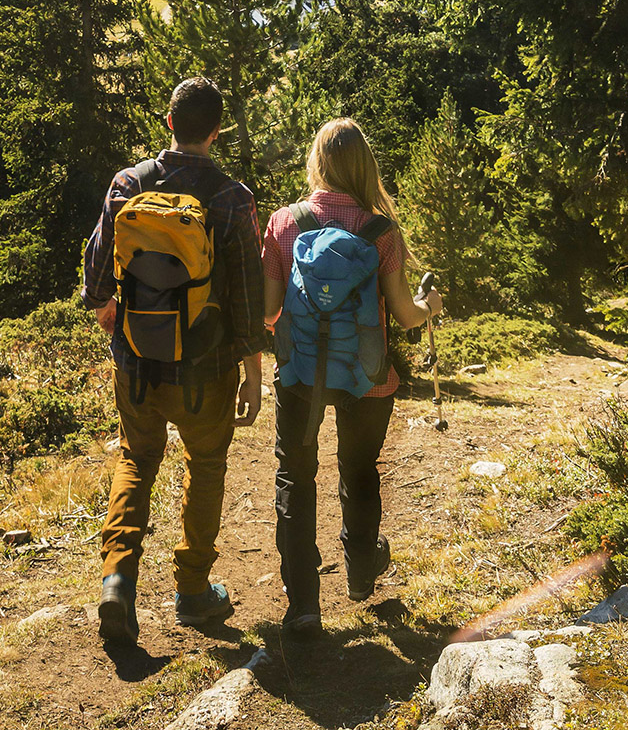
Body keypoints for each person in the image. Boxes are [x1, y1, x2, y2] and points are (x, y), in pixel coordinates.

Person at [82, 77, 265, 644]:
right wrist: (253, 372)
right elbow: (247, 295)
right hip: (206, 369)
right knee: (206, 466)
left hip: (136, 360)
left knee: (136, 459)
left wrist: (112, 315)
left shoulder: (127, 183)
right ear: (216, 131)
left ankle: (117, 581)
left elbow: (95, 271)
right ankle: (192, 591)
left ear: (168, 123)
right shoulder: (233, 199)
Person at [262, 118, 442, 634]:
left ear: (317, 162)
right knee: (359, 470)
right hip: (368, 378)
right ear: (365, 166)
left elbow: (270, 313)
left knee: (295, 477)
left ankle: (303, 607)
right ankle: (361, 571)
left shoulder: (284, 223)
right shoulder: (380, 230)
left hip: (298, 375)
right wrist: (431, 305)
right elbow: (405, 316)